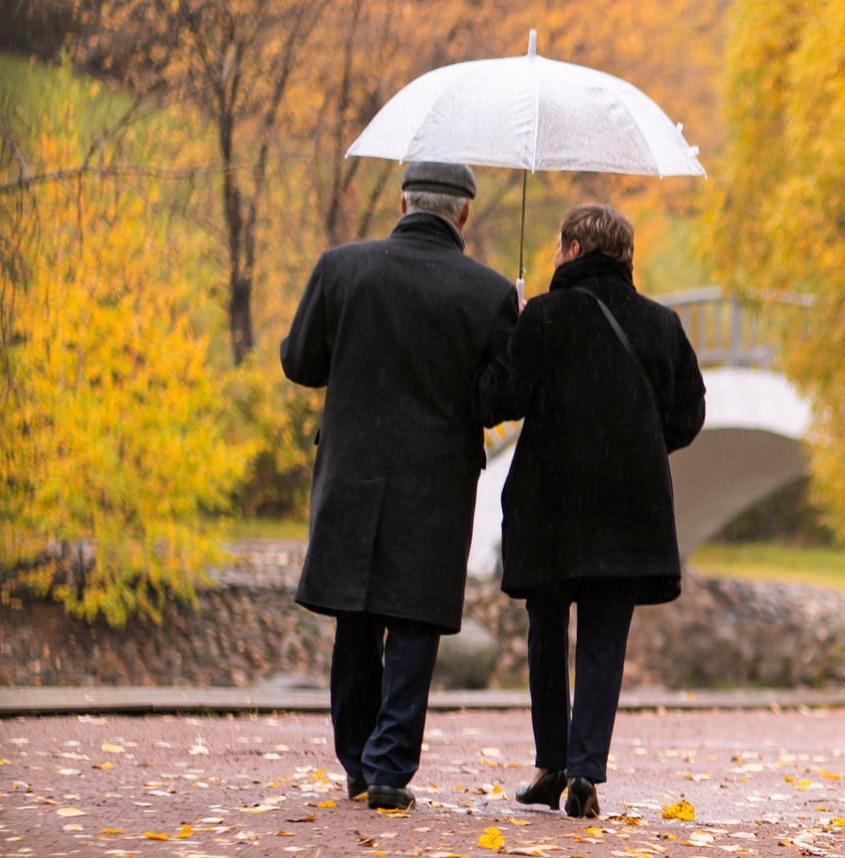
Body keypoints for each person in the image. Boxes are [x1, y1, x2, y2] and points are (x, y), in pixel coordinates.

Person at [280, 161, 516, 811]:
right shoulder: (488, 293)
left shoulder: (341, 267)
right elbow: (500, 399)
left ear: (404, 200)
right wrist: (511, 333)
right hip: (435, 480)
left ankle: (356, 760)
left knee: (354, 619)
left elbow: (301, 362)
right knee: (414, 622)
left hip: (351, 469)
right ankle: (388, 768)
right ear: (463, 214)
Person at [478, 202, 705, 817]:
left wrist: (514, 330)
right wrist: (638, 444)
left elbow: (501, 399)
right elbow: (690, 415)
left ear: (574, 250)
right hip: (629, 510)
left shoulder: (545, 317)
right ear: (625, 256)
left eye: (559, 248)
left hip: (552, 505)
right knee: (605, 636)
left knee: (547, 633)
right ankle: (585, 774)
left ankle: (552, 764)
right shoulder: (661, 323)